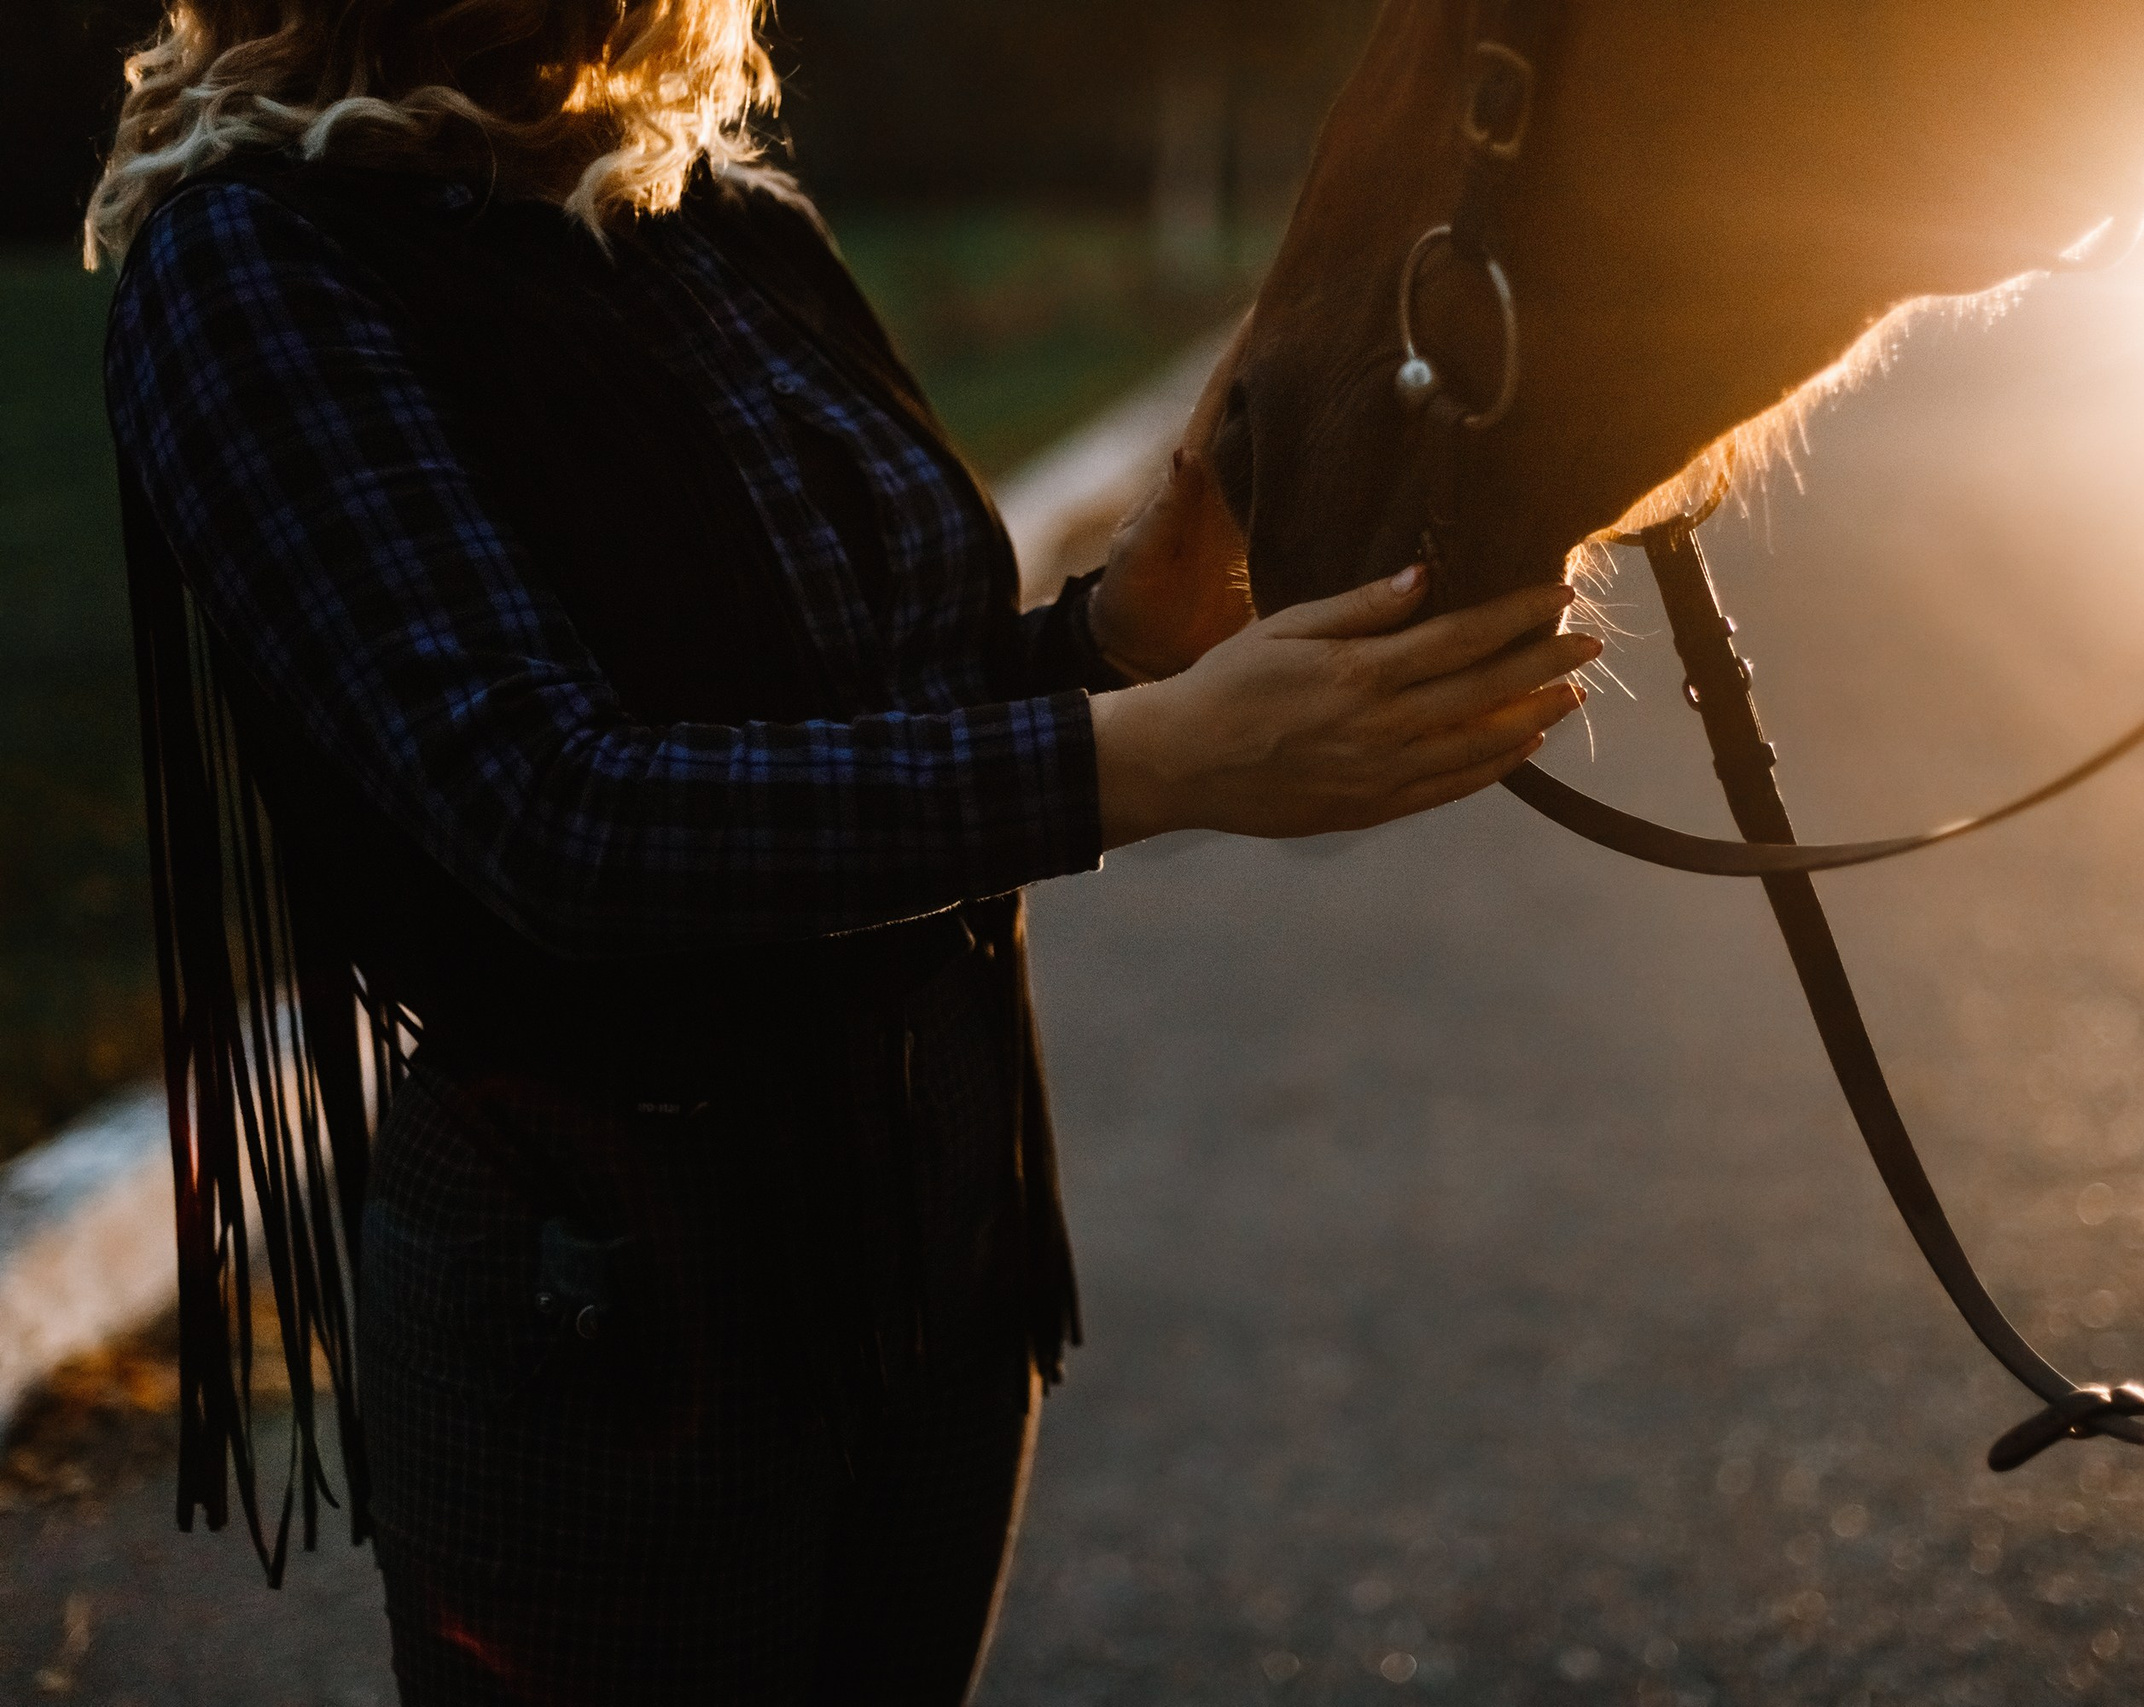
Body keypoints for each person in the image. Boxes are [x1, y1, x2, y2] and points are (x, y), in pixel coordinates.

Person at [86, 0, 1598, 1700]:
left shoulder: (715, 210)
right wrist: (1143, 763)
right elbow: (549, 814)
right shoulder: (257, 266)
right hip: (617, 1284)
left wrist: (1113, 642)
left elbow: (873, 704)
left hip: (938, 1210)